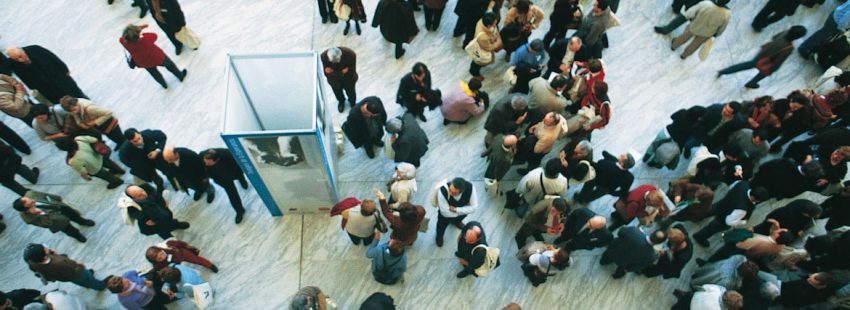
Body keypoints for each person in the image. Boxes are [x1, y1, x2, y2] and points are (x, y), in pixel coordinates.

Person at [717, 26, 807, 89]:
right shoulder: (789, 48)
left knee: (747, 65)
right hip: (768, 61)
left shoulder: (785, 32)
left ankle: (724, 71)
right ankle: (751, 83)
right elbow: (779, 61)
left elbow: (774, 37)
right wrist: (772, 70)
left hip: (763, 52)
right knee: (763, 74)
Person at [693, 181, 768, 247]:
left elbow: (731, 187)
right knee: (713, 227)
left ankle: (696, 217)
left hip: (723, 203)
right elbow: (729, 221)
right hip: (723, 218)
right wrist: (743, 222)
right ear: (755, 198)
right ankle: (699, 236)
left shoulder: (743, 184)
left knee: (710, 210)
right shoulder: (743, 208)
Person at [5, 45, 87, 104]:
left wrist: (64, 69)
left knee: (75, 92)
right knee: (61, 100)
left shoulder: (35, 49)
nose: (21, 60)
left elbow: (53, 57)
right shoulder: (12, 63)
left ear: (21, 50)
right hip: (44, 86)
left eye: (20, 56)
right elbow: (22, 76)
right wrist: (32, 87)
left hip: (58, 77)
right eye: (16, 59)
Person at [120, 24, 188, 89]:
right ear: (138, 35)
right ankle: (180, 76)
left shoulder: (123, 42)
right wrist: (140, 32)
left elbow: (121, 38)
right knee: (170, 65)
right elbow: (154, 35)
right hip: (157, 57)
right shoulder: (145, 40)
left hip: (143, 62)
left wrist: (135, 32)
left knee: (154, 74)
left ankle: (163, 84)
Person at [13, 190, 95, 242]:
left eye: (30, 199)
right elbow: (46, 224)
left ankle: (83, 221)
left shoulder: (30, 194)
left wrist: (57, 198)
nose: (33, 200)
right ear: (27, 209)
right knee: (70, 230)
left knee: (74, 215)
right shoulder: (28, 218)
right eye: (31, 203)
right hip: (57, 221)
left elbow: (45, 195)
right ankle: (78, 236)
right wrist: (40, 213)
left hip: (59, 207)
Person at [23, 243, 106, 291]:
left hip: (64, 276)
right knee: (86, 278)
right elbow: (74, 270)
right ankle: (100, 286)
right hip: (75, 273)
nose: (46, 247)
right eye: (45, 249)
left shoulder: (32, 262)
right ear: (44, 256)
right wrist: (79, 265)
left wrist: (51, 254)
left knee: (80, 281)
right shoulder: (59, 263)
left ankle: (87, 283)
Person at [56, 135, 126, 189]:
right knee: (110, 164)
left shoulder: (73, 161)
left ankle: (117, 181)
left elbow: (82, 171)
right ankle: (120, 171)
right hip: (98, 156)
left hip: (94, 168)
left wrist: (86, 178)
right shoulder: (79, 139)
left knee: (106, 175)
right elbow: (94, 139)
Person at [124, 183, 190, 239]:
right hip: (152, 219)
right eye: (139, 195)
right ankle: (169, 238)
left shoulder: (146, 187)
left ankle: (175, 225)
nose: (143, 194)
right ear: (133, 198)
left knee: (168, 217)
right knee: (162, 230)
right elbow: (138, 216)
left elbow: (157, 196)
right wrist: (146, 220)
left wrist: (164, 203)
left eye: (142, 191)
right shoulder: (131, 206)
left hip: (160, 209)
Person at [60, 96, 127, 149]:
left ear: (77, 103)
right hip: (103, 126)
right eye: (70, 112)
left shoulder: (90, 108)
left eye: (74, 110)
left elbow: (109, 113)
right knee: (111, 136)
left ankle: (124, 144)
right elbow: (76, 115)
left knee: (118, 137)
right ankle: (120, 143)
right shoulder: (75, 106)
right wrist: (80, 123)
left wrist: (94, 122)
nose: (73, 113)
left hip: (109, 124)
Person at [202, 148, 248, 223]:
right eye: (205, 161)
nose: (206, 164)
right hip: (221, 179)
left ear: (215, 160)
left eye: (208, 163)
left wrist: (238, 175)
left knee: (239, 176)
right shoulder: (203, 155)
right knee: (232, 194)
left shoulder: (228, 155)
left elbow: (238, 166)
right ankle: (240, 211)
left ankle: (242, 181)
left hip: (233, 172)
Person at [600, 228, 667, 279]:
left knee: (606, 257)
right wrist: (628, 269)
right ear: (659, 243)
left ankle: (603, 262)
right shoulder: (651, 257)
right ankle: (616, 276)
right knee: (621, 271)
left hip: (614, 251)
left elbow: (620, 232)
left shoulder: (634, 231)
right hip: (624, 264)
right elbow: (640, 266)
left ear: (652, 232)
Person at [434, 177, 479, 247]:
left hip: (459, 212)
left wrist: (457, 210)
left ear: (462, 191)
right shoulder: (443, 190)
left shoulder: (470, 188)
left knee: (459, 218)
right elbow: (444, 212)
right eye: (450, 190)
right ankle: (439, 236)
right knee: (441, 225)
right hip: (444, 217)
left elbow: (474, 207)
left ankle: (456, 222)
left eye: (454, 193)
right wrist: (465, 210)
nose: (450, 193)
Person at [105, 270, 173, 309]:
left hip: (152, 288)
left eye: (123, 279)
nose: (127, 281)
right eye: (125, 284)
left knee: (168, 297)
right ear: (122, 290)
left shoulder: (127, 275)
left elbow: (135, 272)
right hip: (149, 303)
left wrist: (144, 281)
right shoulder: (125, 300)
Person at [321, 47, 358, 113]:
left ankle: (352, 102)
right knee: (337, 92)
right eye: (333, 62)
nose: (335, 63)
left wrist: (333, 72)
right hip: (334, 81)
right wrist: (341, 72)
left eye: (337, 60)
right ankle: (341, 101)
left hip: (348, 78)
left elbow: (351, 71)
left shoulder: (350, 55)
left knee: (351, 92)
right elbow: (327, 74)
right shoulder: (324, 57)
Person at [691, 255, 758, 290]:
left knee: (705, 272)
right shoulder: (732, 283)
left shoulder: (740, 258)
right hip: (712, 278)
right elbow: (716, 287)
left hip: (716, 267)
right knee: (705, 278)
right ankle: (695, 282)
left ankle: (696, 277)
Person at [145, 239, 218, 272]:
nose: (162, 257)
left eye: (161, 254)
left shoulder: (169, 244)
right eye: (159, 258)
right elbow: (159, 270)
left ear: (160, 249)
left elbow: (181, 243)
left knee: (197, 260)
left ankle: (210, 265)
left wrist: (188, 246)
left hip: (182, 253)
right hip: (175, 264)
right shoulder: (157, 265)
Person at [469, 12, 503, 79]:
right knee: (477, 63)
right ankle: (474, 72)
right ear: (488, 25)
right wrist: (499, 42)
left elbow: (495, 31)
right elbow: (489, 48)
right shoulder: (483, 37)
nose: (496, 25)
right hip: (481, 51)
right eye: (494, 23)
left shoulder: (483, 21)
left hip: (482, 45)